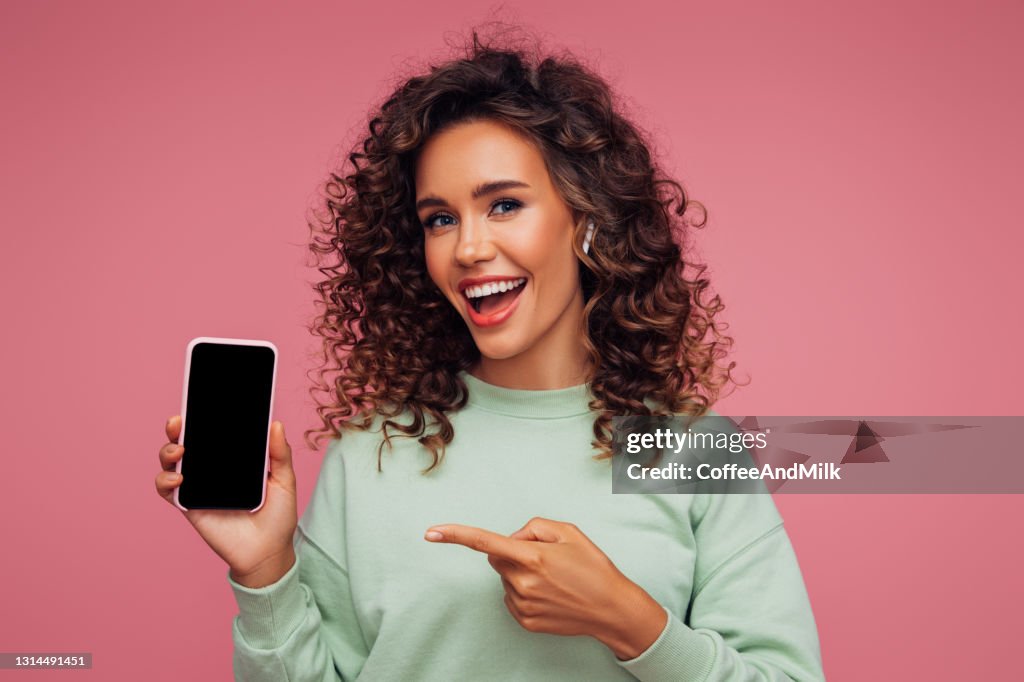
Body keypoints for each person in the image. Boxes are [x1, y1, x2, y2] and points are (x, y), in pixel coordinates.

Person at [155, 27, 824, 681]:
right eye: (440, 219)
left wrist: (628, 619)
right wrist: (264, 571)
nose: (468, 248)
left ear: (586, 218)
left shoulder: (692, 448)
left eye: (503, 204)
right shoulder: (373, 449)